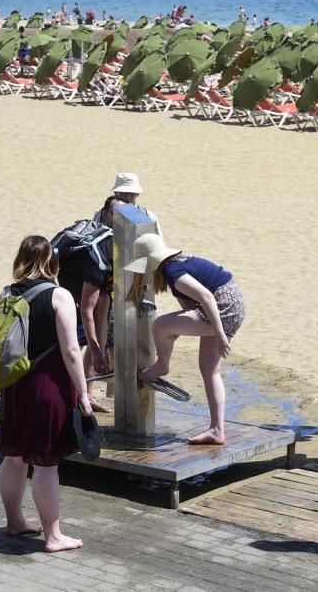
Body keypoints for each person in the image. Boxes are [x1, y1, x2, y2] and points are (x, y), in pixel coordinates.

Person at [0, 235, 91, 552]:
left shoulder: (7, 293)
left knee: (13, 457)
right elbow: (71, 351)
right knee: (47, 463)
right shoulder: (59, 295)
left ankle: (14, 522)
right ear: (51, 260)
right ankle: (53, 535)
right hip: (46, 386)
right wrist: (83, 393)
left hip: (12, 385)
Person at [126, 234, 246, 445]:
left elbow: (207, 297)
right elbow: (190, 312)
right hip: (231, 305)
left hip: (223, 308)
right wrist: (172, 335)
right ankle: (217, 430)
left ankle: (161, 366)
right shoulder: (178, 265)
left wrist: (219, 333)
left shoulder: (172, 271)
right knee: (210, 370)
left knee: (160, 325)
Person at [58, 196, 123, 411]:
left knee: (104, 302)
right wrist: (97, 351)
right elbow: (86, 310)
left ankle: (88, 392)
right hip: (69, 274)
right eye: (116, 214)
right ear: (105, 213)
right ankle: (81, 392)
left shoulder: (121, 245)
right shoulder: (100, 263)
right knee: (96, 309)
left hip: (94, 275)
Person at [94, 172, 162, 236]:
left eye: (132, 193)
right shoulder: (101, 213)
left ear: (137, 194)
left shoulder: (149, 217)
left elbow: (158, 244)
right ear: (115, 192)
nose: (128, 197)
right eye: (124, 193)